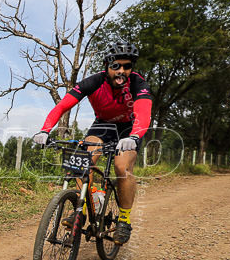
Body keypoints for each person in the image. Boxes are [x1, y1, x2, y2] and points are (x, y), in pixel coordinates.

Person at [33, 40, 152, 244]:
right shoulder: (94, 81)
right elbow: (63, 106)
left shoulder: (138, 83)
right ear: (107, 66)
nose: (121, 71)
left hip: (129, 128)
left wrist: (133, 136)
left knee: (121, 167)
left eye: (127, 66)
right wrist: (45, 130)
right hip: (103, 125)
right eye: (116, 66)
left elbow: (143, 111)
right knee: (81, 162)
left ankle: (124, 220)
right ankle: (84, 208)